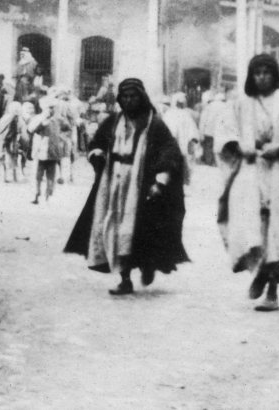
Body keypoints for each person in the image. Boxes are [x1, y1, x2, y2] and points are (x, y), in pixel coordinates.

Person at [64, 78, 189, 295]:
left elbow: (170, 152)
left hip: (141, 183)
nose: (129, 100)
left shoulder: (154, 124)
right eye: (125, 97)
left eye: (133, 96)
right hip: (114, 182)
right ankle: (125, 278)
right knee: (116, 227)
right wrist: (98, 155)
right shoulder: (113, 121)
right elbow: (97, 143)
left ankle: (147, 264)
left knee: (139, 229)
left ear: (141, 97)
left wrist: (160, 181)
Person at [215, 54, 279, 312]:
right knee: (253, 225)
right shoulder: (241, 105)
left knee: (277, 228)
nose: (262, 77)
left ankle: (272, 289)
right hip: (250, 172)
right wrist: (240, 146)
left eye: (266, 72)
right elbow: (224, 131)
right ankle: (259, 273)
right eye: (257, 73)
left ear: (275, 74)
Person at [28, 98, 69, 204]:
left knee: (44, 175)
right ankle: (41, 195)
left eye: (52, 108)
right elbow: (32, 129)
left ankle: (44, 195)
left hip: (48, 151)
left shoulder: (54, 120)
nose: (51, 110)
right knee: (43, 175)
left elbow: (67, 127)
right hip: (46, 151)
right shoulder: (48, 119)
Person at [162, 92, 201, 184]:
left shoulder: (168, 114)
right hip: (181, 148)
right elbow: (193, 133)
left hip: (172, 146)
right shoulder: (185, 114)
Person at [0, 100, 26, 183]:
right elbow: (22, 131)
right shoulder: (19, 119)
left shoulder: (4, 117)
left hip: (2, 140)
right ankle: (15, 177)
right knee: (14, 158)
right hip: (13, 140)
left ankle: (4, 177)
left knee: (3, 158)